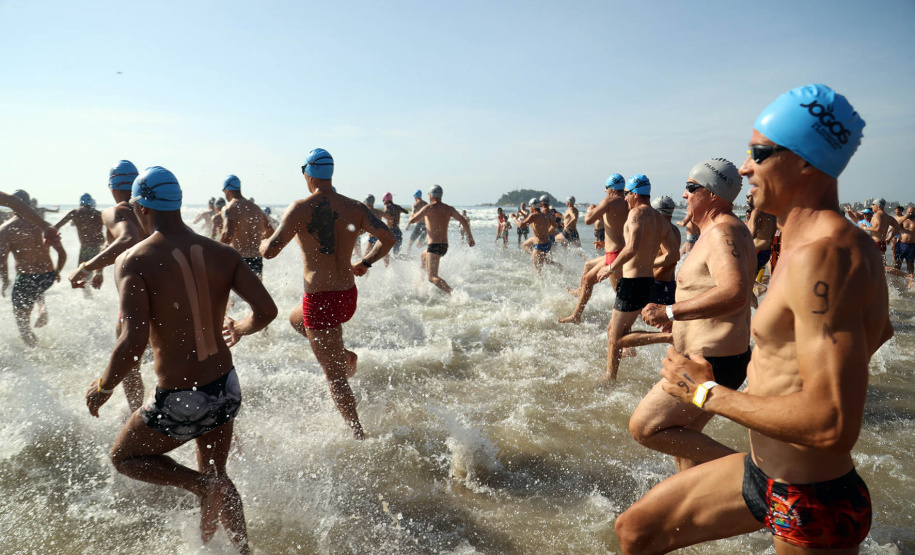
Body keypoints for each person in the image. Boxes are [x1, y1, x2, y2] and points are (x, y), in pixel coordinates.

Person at [615, 84, 886, 554]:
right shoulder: (811, 244)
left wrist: (704, 393)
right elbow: (880, 331)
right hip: (761, 470)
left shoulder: (826, 254)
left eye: (758, 153)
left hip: (810, 499)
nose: (744, 169)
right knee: (636, 530)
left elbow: (832, 424)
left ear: (805, 161)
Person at [85, 166, 276, 554]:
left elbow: (131, 341)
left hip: (180, 397)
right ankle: (242, 550)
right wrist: (238, 327)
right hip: (225, 387)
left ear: (141, 207)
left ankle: (201, 488)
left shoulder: (135, 260)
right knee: (218, 475)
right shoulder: (223, 253)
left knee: (125, 457)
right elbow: (267, 311)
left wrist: (103, 387)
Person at [260, 148, 395, 439]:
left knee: (334, 378)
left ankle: (359, 436)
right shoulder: (355, 206)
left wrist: (260, 243)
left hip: (321, 300)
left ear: (307, 174)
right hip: (347, 295)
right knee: (296, 320)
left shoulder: (299, 208)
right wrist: (366, 262)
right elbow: (389, 237)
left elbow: (270, 251)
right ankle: (344, 356)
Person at [630, 160, 754, 473]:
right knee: (683, 438)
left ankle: (754, 472)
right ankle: (692, 507)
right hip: (716, 358)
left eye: (690, 188)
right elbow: (719, 290)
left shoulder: (722, 232)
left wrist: (669, 310)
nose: (684, 196)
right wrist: (683, 318)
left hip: (712, 361)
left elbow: (735, 292)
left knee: (646, 428)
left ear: (712, 194)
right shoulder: (720, 231)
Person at [69, 160, 149, 412]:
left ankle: (136, 416)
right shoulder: (154, 210)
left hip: (136, 299)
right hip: (169, 294)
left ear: (112, 187)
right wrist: (102, 269)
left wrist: (86, 267)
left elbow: (126, 238)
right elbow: (111, 244)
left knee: (130, 363)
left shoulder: (115, 211)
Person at [597, 175, 677, 381]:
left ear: (634, 194)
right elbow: (673, 255)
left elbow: (632, 247)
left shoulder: (636, 214)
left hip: (632, 283)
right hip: (648, 282)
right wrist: (650, 263)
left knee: (616, 338)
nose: (625, 200)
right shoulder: (660, 219)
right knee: (612, 331)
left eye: (627, 195)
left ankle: (610, 378)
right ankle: (610, 375)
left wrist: (611, 267)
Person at [558, 174, 628, 324]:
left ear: (610, 188)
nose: (606, 192)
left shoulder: (609, 201)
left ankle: (577, 316)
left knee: (620, 296)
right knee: (588, 264)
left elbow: (588, 220)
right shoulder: (629, 202)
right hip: (622, 251)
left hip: (614, 255)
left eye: (606, 190)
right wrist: (605, 243)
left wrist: (590, 209)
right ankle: (579, 292)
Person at [0, 189, 67, 346]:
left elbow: (2, 261)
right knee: (36, 287)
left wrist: (5, 281)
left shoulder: (5, 229)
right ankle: (42, 307)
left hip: (26, 278)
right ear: (29, 205)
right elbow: (62, 254)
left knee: (23, 326)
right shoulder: (43, 226)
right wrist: (57, 271)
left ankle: (36, 354)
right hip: (48, 276)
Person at [408, 184, 474, 294]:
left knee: (432, 277)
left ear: (432, 196)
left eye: (429, 194)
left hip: (434, 246)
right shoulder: (449, 209)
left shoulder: (428, 208)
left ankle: (454, 294)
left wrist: (412, 212)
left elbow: (412, 220)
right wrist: (470, 238)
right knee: (423, 255)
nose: (428, 196)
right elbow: (463, 220)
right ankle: (421, 281)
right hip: (444, 246)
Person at [219, 175, 275, 280]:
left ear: (227, 191)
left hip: (238, 259)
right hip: (257, 259)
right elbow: (271, 231)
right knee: (254, 294)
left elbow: (227, 234)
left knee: (232, 294)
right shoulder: (256, 208)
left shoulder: (228, 208)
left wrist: (216, 254)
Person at [55, 193, 105, 291]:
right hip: (99, 248)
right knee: (95, 275)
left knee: (81, 277)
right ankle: (97, 300)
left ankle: (88, 299)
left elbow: (57, 226)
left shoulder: (75, 212)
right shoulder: (99, 214)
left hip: (84, 249)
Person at [515, 198, 561, 276]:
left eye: (529, 206)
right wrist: (546, 232)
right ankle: (558, 266)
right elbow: (555, 225)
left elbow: (521, 225)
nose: (529, 208)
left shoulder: (534, 215)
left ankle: (542, 286)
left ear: (532, 207)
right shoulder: (545, 215)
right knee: (545, 261)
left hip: (539, 245)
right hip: (547, 244)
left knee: (537, 271)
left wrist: (514, 218)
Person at [747, 193, 777, 285]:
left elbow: (752, 233)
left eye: (749, 197)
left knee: (746, 282)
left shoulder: (756, 211)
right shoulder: (772, 213)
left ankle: (759, 289)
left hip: (756, 250)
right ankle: (755, 294)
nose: (747, 200)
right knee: (749, 282)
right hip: (766, 252)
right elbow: (773, 232)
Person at [861, 198, 902, 264]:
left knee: (879, 266)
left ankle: (905, 275)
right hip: (882, 243)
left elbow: (877, 229)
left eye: (873, 204)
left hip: (876, 243)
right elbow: (897, 227)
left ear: (878, 206)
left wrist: (864, 227)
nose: (872, 206)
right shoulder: (888, 217)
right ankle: (904, 274)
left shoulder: (878, 215)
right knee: (881, 265)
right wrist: (890, 237)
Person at [887, 205, 915, 287]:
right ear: (906, 213)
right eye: (909, 212)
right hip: (901, 244)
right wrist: (889, 238)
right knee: (897, 263)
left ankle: (910, 281)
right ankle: (896, 281)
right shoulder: (903, 220)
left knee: (910, 263)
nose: (910, 213)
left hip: (912, 246)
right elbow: (895, 227)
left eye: (912, 212)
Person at [405, 190, 428, 254]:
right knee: (419, 245)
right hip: (426, 226)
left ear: (415, 196)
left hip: (419, 225)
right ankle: (429, 244)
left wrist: (408, 225)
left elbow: (412, 216)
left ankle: (408, 255)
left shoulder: (415, 204)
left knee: (410, 243)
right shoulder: (426, 204)